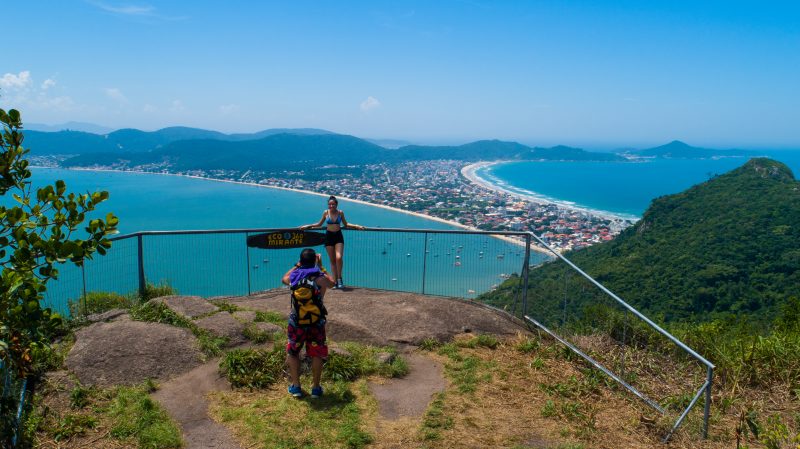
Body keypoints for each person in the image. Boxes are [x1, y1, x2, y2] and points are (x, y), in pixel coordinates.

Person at [282, 248, 335, 398]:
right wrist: (321, 266)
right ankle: (316, 388)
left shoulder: (294, 276)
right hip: (316, 322)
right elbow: (332, 283)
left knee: (293, 352)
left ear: (301, 261)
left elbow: (283, 278)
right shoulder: (319, 277)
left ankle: (296, 387)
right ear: (314, 261)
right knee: (317, 353)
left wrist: (297, 265)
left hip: (297, 321)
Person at [299, 195, 364, 289]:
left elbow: (346, 224)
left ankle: (339, 278)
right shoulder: (326, 212)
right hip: (329, 237)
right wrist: (308, 226)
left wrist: (357, 226)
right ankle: (334, 281)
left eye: (333, 204)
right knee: (332, 261)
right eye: (329, 204)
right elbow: (319, 224)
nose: (331, 206)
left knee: (339, 257)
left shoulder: (340, 213)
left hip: (338, 236)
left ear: (336, 204)